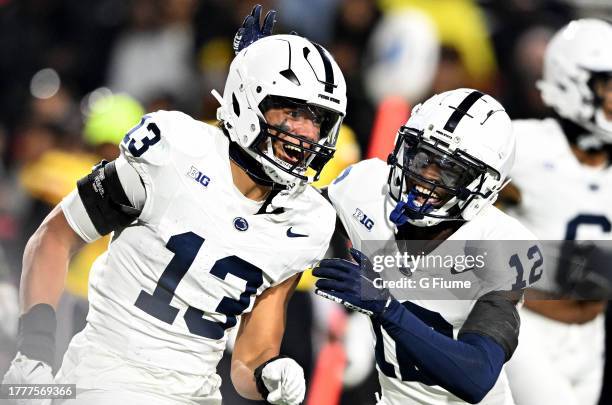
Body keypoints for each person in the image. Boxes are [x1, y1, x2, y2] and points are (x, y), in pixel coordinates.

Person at [1, 6, 347, 405]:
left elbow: (249, 360)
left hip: (197, 394)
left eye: (319, 119)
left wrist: (269, 372)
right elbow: (54, 238)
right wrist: (35, 353)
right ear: (249, 101)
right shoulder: (173, 150)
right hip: (107, 381)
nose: (307, 133)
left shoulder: (308, 220)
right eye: (293, 112)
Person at [314, 88, 541, 404]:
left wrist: (387, 307)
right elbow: (293, 210)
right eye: (424, 156)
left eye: (450, 170)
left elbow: (477, 377)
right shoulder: (366, 190)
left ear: (483, 186)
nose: (428, 177)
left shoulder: (500, 245)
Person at [502, 19, 612, 405]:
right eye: (608, 85)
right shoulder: (525, 144)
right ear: (573, 80)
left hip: (591, 335)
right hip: (530, 327)